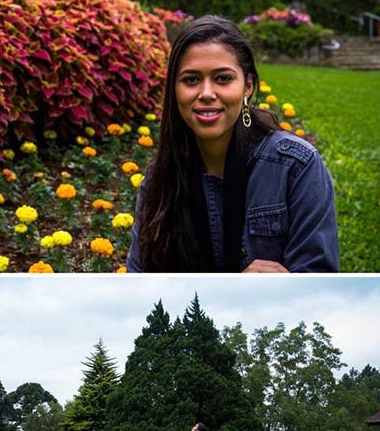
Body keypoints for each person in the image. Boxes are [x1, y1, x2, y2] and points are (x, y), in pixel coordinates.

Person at [129, 15, 339, 273]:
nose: (206, 93)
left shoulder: (296, 167)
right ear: (174, 89)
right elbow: (138, 278)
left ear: (247, 86)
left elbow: (317, 277)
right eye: (191, 79)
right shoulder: (158, 181)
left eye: (223, 78)